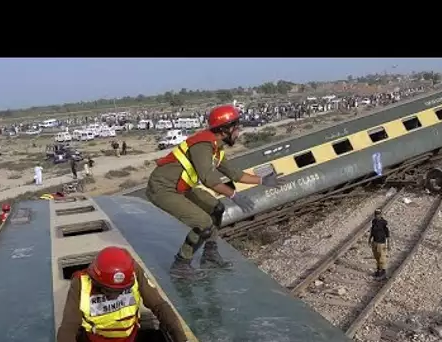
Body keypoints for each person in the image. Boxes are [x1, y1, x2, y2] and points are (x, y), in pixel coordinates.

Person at [147, 104, 283, 280]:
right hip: (163, 189)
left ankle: (210, 255)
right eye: (237, 127)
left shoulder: (216, 148)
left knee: (216, 208)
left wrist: (263, 181)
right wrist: (234, 195)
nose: (239, 131)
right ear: (225, 129)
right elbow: (208, 179)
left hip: (180, 187)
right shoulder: (203, 145)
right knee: (203, 223)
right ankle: (181, 265)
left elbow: (234, 174)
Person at [57, 247, 188, 342]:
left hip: (130, 337)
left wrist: (181, 338)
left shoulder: (134, 272)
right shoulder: (80, 284)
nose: (115, 296)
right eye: (107, 290)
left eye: (121, 291)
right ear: (95, 280)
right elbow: (68, 327)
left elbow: (159, 305)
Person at [368, 209, 390, 277]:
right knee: (376, 256)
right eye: (376, 214)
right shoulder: (374, 221)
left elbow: (387, 234)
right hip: (375, 241)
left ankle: (383, 271)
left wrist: (388, 244)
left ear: (380, 214)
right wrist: (369, 239)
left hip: (381, 243)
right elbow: (372, 230)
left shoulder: (384, 223)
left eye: (378, 214)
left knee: (382, 257)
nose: (377, 215)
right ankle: (378, 270)